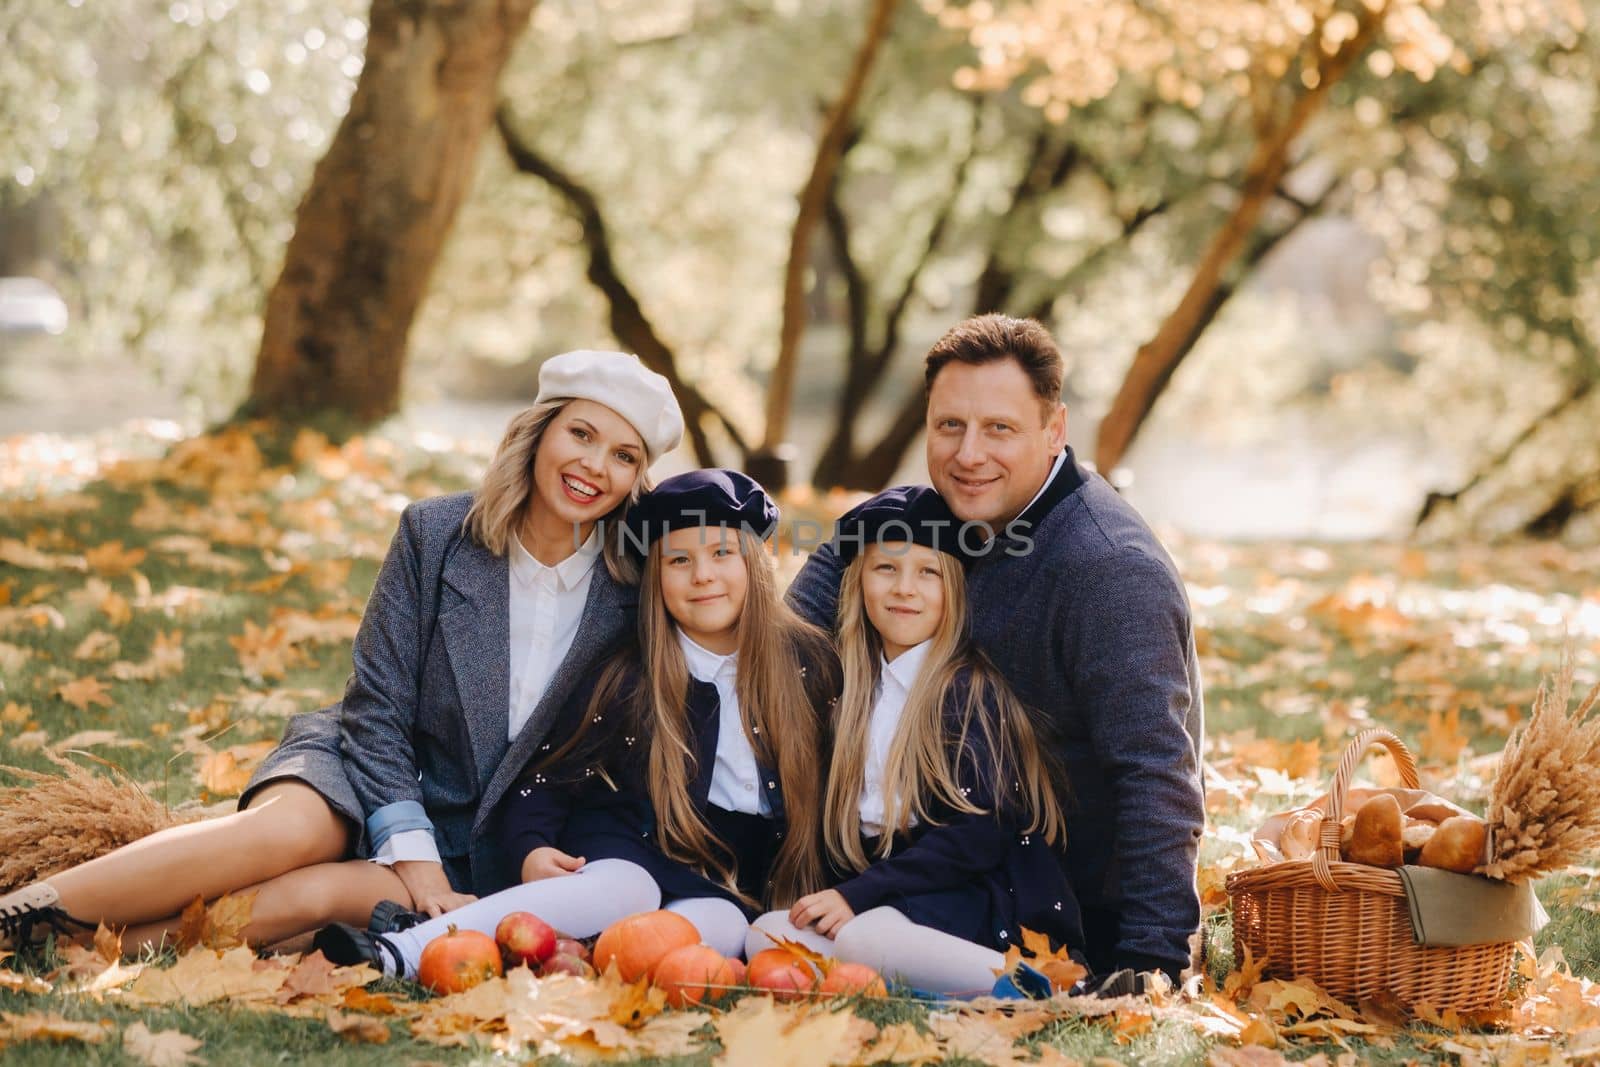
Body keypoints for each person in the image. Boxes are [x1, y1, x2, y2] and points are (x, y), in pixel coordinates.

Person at [0, 351, 684, 952]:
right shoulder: (437, 533)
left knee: (300, 901)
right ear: (539, 431)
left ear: (636, 479)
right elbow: (375, 708)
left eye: (623, 455)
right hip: (363, 763)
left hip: (472, 842)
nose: (595, 465)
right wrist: (409, 853)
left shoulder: (635, 590)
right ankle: (20, 914)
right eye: (582, 433)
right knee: (285, 836)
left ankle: (64, 950)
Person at [787, 315, 1205, 990]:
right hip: (914, 864)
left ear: (1055, 429)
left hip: (1047, 902)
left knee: (851, 944)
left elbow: (1156, 768)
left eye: (999, 429)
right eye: (949, 425)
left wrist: (1152, 959)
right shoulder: (936, 515)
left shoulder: (1106, 566)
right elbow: (785, 646)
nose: (968, 454)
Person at [310, 470, 841, 976]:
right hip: (629, 848)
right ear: (655, 579)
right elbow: (547, 775)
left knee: (721, 929)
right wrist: (532, 846)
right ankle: (405, 949)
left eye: (722, 553)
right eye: (679, 560)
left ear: (754, 562)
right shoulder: (631, 672)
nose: (703, 575)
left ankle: (557, 958)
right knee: (626, 890)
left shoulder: (807, 666)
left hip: (725, 884)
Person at [748, 487, 1083, 995]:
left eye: (927, 572)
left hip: (977, 894)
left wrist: (858, 895)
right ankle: (928, 994)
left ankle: (1050, 992)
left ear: (953, 589)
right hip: (895, 895)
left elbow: (978, 836)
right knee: (768, 935)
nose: (906, 588)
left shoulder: (967, 692)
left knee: (863, 939)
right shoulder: (851, 690)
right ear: (858, 584)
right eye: (886, 569)